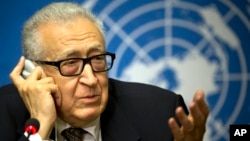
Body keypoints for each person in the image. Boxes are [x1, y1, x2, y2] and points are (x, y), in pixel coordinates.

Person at [0, 2, 209, 141]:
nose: (91, 80)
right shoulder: (3, 115)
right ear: (34, 72)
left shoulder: (162, 113)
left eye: (97, 59)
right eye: (71, 63)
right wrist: (40, 126)